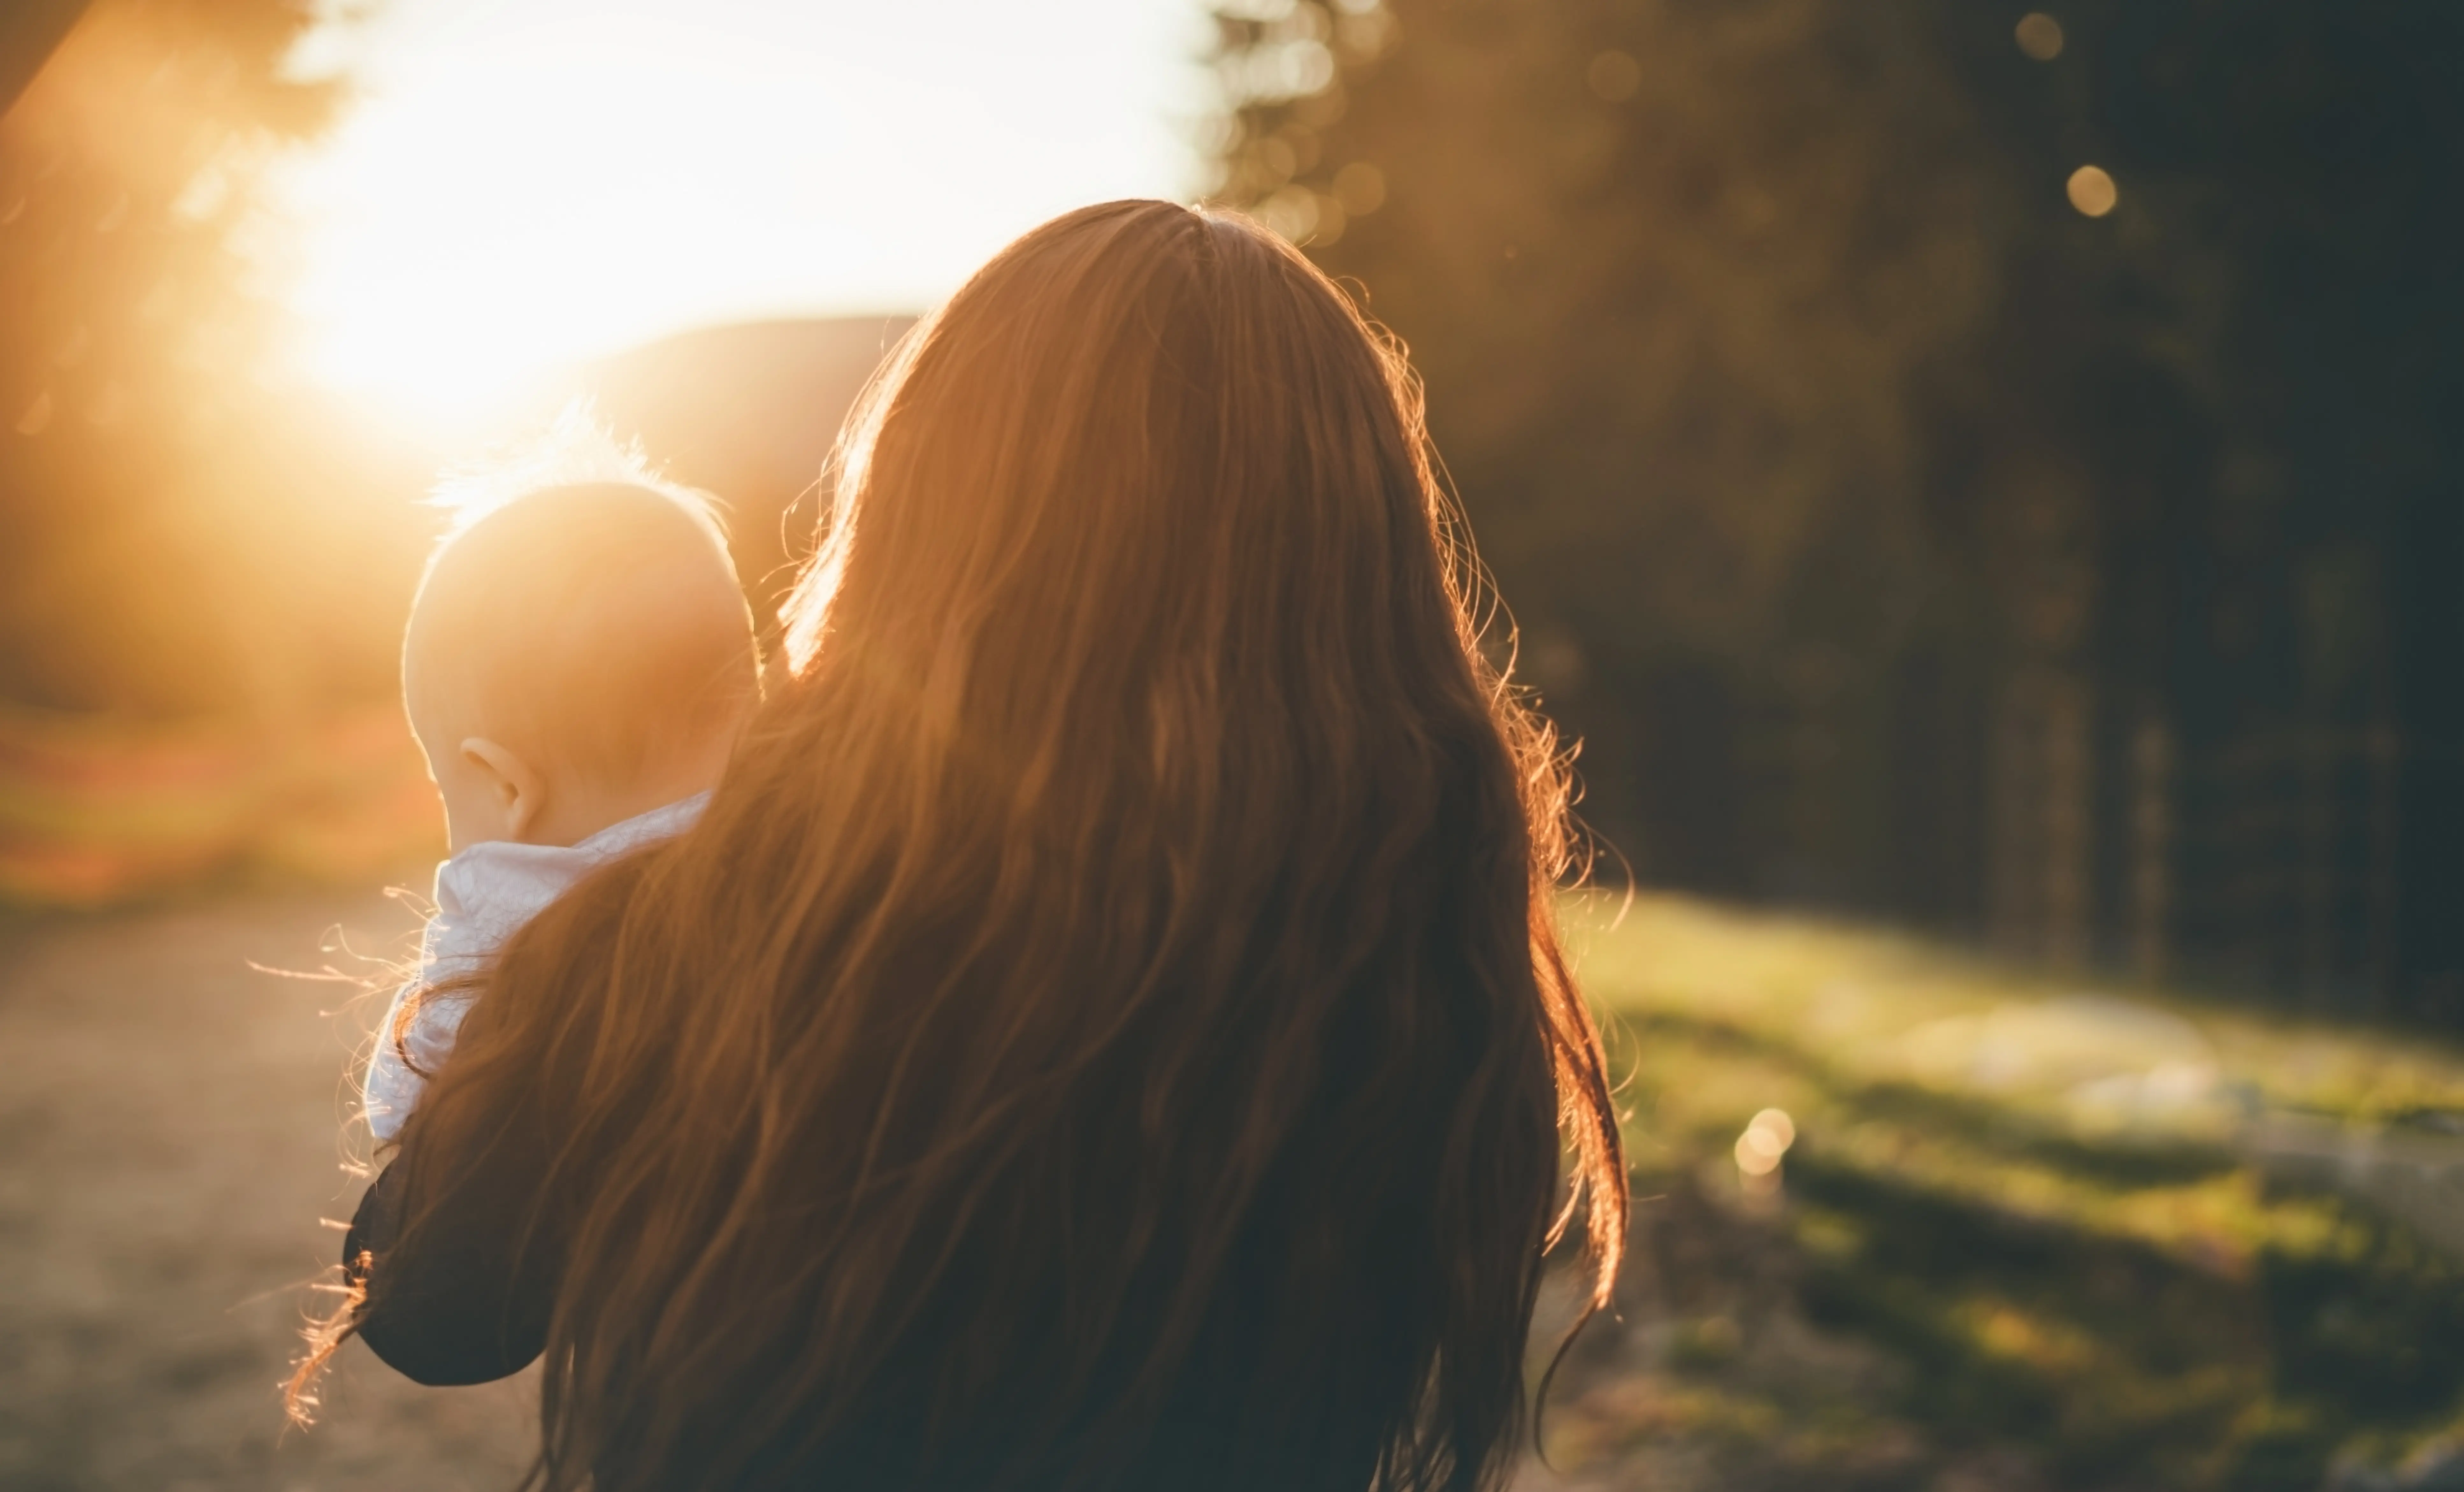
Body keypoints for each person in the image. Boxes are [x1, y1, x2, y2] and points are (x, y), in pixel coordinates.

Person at [297, 200, 1627, 1492]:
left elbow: (437, 1303)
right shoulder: (1422, 947)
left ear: (923, 527)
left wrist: (526, 910)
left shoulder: (737, 917)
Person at [365, 452, 761, 1144]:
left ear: (509, 786)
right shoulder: (816, 874)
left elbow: (408, 1113)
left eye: (445, 792)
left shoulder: (507, 978)